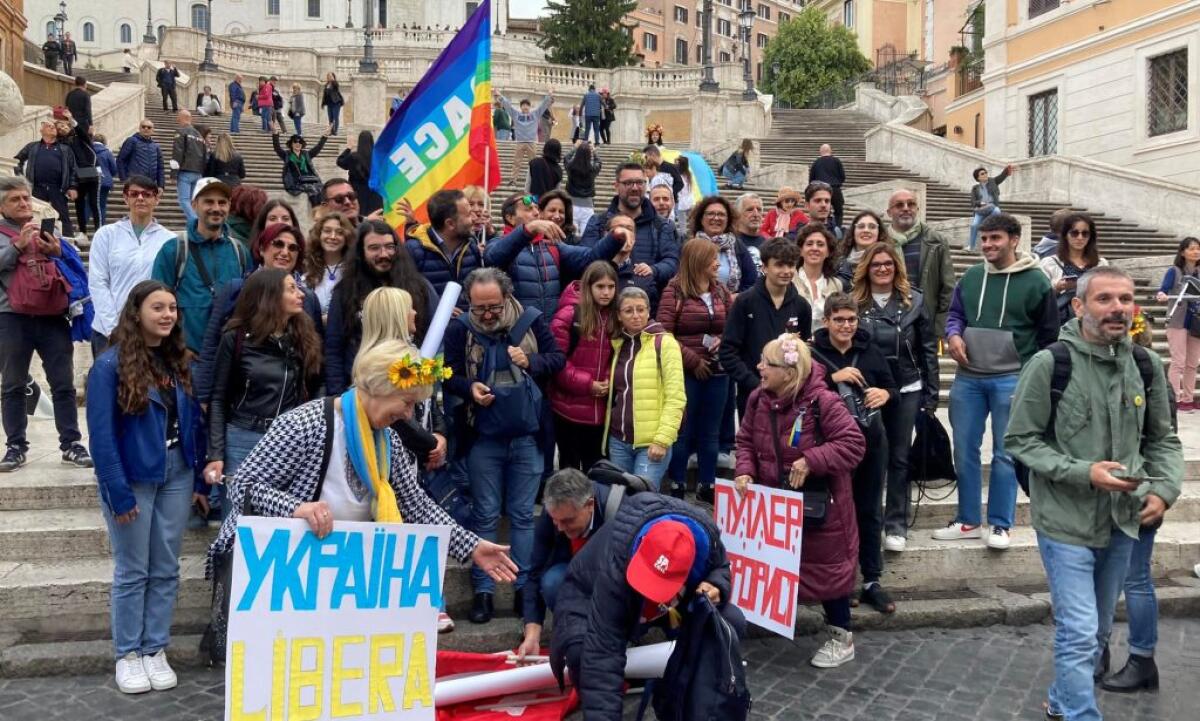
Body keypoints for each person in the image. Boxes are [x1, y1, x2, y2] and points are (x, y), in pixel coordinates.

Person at [207, 339, 519, 624]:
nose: (409, 414)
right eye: (406, 402)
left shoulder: (388, 441)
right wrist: (298, 508)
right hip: (278, 574)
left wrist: (472, 545)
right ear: (379, 388)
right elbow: (243, 485)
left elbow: (415, 505)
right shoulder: (305, 423)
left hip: (330, 573)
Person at [1006, 266, 1181, 721]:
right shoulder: (1050, 363)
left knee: (1098, 629)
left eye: (1125, 299)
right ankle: (1081, 714)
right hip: (1065, 520)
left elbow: (1163, 439)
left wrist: (1164, 489)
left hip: (1123, 520)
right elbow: (1020, 441)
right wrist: (1085, 473)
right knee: (1081, 630)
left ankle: (1063, 701)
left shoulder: (1145, 364)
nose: (1117, 308)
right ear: (1080, 306)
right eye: (1104, 299)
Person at [86, 280, 206, 693]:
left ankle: (155, 648)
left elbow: (193, 422)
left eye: (172, 307)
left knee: (166, 567)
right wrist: (116, 491)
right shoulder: (109, 366)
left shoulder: (179, 362)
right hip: (133, 476)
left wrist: (199, 475)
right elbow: (101, 438)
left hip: (176, 472)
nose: (168, 315)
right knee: (133, 569)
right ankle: (128, 653)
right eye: (158, 307)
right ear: (136, 312)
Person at [734, 333, 865, 668]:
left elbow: (853, 444)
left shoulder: (824, 402)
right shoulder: (756, 399)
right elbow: (746, 439)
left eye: (767, 363)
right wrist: (745, 470)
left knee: (828, 572)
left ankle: (842, 638)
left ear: (789, 374)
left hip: (820, 508)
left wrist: (811, 459)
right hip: (776, 505)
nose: (759, 367)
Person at [548, 492, 742, 718]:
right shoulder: (616, 566)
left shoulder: (707, 537)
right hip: (585, 596)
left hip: (663, 606)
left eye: (658, 584)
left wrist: (716, 583)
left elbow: (721, 565)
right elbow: (602, 655)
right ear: (641, 547)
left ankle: (680, 700)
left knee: (730, 620)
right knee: (582, 652)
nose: (648, 591)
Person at [443, 267, 564, 624]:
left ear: (507, 296)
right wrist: (469, 389)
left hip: (528, 436)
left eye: (493, 306)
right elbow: (447, 374)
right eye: (478, 308)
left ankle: (524, 589)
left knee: (524, 516)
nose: (487, 314)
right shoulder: (459, 328)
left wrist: (532, 362)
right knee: (485, 514)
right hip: (482, 437)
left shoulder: (531, 321)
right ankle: (483, 590)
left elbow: (557, 360)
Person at [940, 212, 1058, 549]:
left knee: (1007, 453)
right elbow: (956, 315)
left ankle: (1000, 525)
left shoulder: (1036, 281)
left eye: (996, 238)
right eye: (984, 238)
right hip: (969, 377)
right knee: (963, 449)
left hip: (1012, 377)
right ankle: (967, 520)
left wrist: (1036, 378)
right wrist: (953, 336)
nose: (988, 244)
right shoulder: (972, 276)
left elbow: (1049, 336)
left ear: (1014, 240)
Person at [204, 268, 323, 521]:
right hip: (243, 436)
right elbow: (218, 398)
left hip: (287, 440)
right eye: (291, 289)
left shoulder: (302, 336)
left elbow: (315, 387)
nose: (300, 293)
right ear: (269, 296)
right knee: (238, 520)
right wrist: (215, 454)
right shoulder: (235, 337)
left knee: (280, 519)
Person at [810, 292, 897, 614]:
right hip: (832, 447)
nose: (846, 325)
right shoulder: (813, 353)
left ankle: (872, 579)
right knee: (839, 517)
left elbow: (895, 389)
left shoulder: (871, 350)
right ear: (827, 321)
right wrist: (834, 378)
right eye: (839, 320)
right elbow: (802, 391)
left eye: (851, 320)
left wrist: (885, 393)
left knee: (870, 511)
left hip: (872, 443)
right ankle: (841, 582)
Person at [0, 176, 92, 472]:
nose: (24, 203)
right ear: (2, 206)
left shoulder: (47, 232)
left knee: (63, 384)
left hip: (52, 315)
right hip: (12, 317)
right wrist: (17, 247)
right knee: (13, 384)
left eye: (26, 197)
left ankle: (71, 444)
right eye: (16, 199)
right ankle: (15, 446)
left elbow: (75, 266)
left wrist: (58, 252)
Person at [852, 243, 939, 555]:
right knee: (869, 457)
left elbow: (928, 348)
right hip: (868, 389)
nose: (883, 269)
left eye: (888, 263)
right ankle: (868, 522)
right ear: (867, 268)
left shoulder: (914, 300)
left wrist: (931, 395)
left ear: (897, 267)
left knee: (899, 458)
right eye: (876, 264)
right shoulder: (855, 302)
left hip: (906, 387)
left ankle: (896, 524)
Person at [517, 468, 624, 659]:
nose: (560, 528)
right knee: (551, 581)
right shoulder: (555, 515)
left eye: (567, 521)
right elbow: (534, 573)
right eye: (555, 521)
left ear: (589, 504)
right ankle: (576, 633)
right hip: (575, 573)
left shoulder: (619, 511)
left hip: (616, 583)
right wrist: (532, 636)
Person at [658, 238, 732, 502]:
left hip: (718, 371)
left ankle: (707, 483)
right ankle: (677, 482)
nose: (717, 263)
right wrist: (693, 360)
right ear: (698, 261)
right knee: (683, 429)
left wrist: (723, 342)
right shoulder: (674, 291)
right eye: (713, 258)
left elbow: (731, 327)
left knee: (710, 431)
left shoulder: (720, 291)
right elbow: (664, 333)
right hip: (685, 372)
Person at [326, 220, 435, 395]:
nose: (384, 254)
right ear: (361, 253)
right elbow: (334, 348)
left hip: (408, 388)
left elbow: (432, 337)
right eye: (374, 248)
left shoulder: (419, 287)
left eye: (389, 247)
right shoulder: (345, 292)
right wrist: (337, 397)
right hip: (361, 389)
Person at [150, 178, 251, 352]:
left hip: (228, 357)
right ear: (194, 204)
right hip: (186, 357)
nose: (216, 208)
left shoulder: (240, 251)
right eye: (209, 202)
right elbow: (156, 303)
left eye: (222, 202)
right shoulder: (173, 250)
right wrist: (176, 348)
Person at [485, 193, 623, 317]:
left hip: (548, 332)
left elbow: (590, 258)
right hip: (517, 333)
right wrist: (527, 230)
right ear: (510, 218)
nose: (536, 213)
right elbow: (493, 259)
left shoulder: (552, 246)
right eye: (528, 209)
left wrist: (615, 238)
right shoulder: (498, 243)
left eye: (536, 209)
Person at [603, 287, 685, 489]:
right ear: (619, 316)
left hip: (651, 443)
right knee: (619, 500)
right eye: (629, 311)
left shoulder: (664, 343)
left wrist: (662, 440)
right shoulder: (618, 345)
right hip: (618, 440)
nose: (636, 316)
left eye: (641, 309)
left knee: (643, 501)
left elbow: (676, 397)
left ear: (649, 312)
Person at [721, 238, 811, 417]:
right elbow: (728, 352)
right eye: (779, 265)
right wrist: (756, 384)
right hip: (753, 397)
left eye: (791, 265)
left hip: (790, 397)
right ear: (764, 267)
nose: (786, 271)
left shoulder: (802, 306)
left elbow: (806, 352)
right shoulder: (744, 302)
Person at [88, 176, 175, 357]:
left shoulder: (170, 240)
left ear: (156, 199)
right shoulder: (106, 235)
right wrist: (114, 327)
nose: (140, 198)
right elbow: (98, 282)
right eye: (134, 194)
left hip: (150, 329)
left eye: (147, 194)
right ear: (126, 198)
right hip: (108, 330)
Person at [580, 162, 680, 310]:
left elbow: (672, 262)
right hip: (605, 308)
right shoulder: (599, 222)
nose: (634, 188)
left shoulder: (663, 225)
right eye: (628, 183)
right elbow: (585, 260)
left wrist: (654, 270)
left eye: (639, 182)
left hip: (647, 310)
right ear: (616, 185)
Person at [550, 261, 618, 472]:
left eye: (611, 287)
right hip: (568, 408)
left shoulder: (616, 317)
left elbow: (618, 358)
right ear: (588, 287)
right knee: (570, 471)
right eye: (600, 287)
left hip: (600, 411)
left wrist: (609, 380)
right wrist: (589, 384)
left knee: (596, 470)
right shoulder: (569, 316)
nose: (606, 293)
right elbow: (557, 362)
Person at [886, 189, 956, 337]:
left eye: (911, 204)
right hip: (887, 319)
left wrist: (940, 326)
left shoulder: (936, 240)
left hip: (925, 321)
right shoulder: (881, 241)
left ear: (917, 209)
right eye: (899, 205)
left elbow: (948, 287)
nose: (906, 208)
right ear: (889, 212)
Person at [404, 189, 482, 310]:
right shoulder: (414, 251)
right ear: (450, 224)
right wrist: (438, 309)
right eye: (468, 214)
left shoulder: (471, 247)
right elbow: (407, 297)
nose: (474, 218)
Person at [1040, 213, 1108, 327]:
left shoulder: (1101, 264)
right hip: (1062, 322)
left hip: (1094, 320)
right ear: (1065, 235)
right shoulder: (1049, 263)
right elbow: (1039, 298)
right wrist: (1057, 288)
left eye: (1085, 233)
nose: (1080, 238)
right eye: (1074, 233)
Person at [1156, 237, 1200, 412]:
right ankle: (1175, 398)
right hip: (1177, 321)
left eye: (1198, 248)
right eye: (1191, 249)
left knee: (1192, 363)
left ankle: (1188, 399)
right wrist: (1162, 295)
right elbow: (1163, 289)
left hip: (1196, 322)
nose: (1196, 252)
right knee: (1178, 362)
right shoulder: (1174, 271)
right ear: (1182, 252)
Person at [14, 119, 78, 237]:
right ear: (41, 131)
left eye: (53, 126)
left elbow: (73, 169)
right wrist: (21, 180)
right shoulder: (32, 147)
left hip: (58, 189)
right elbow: (17, 161)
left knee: (63, 216)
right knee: (35, 215)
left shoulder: (65, 149)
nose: (52, 127)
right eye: (48, 126)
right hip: (36, 188)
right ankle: (34, 239)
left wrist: (73, 187)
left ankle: (69, 242)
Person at [687, 195, 756, 297]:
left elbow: (752, 282)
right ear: (701, 219)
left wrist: (737, 297)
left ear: (728, 220)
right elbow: (681, 280)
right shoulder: (690, 246)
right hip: (695, 308)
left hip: (731, 308)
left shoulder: (737, 245)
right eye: (710, 214)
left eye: (721, 214)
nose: (716, 218)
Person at [494, 89, 554, 185]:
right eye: (523, 105)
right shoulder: (516, 114)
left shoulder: (535, 114)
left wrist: (549, 94)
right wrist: (499, 95)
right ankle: (513, 179)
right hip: (520, 142)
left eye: (527, 105)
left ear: (529, 107)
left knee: (533, 163)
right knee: (517, 162)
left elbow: (543, 105)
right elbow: (507, 105)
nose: (525, 107)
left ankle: (535, 179)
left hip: (532, 142)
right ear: (521, 107)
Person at [304, 211, 354, 319]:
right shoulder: (306, 270)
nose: (333, 236)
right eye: (327, 231)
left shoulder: (354, 270)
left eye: (340, 232)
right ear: (319, 235)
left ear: (347, 238)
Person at [57, 119, 101, 236]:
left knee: (93, 203)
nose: (62, 129)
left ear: (69, 126)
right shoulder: (61, 144)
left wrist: (72, 120)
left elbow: (82, 132)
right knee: (79, 205)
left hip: (90, 173)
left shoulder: (80, 137)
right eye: (59, 129)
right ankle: (83, 232)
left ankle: (99, 230)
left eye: (63, 126)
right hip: (76, 177)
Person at [794, 223, 843, 327]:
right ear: (801, 251)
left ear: (828, 252)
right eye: (809, 244)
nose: (815, 248)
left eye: (820, 244)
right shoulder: (789, 280)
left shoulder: (836, 284)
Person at [271, 122, 330, 208]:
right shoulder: (287, 155)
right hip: (295, 182)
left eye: (300, 142)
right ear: (291, 144)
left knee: (321, 188)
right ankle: (317, 210)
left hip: (309, 179)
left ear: (302, 144)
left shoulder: (306, 154)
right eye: (295, 142)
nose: (298, 144)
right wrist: (275, 134)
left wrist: (325, 136)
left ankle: (323, 208)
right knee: (312, 189)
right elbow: (277, 148)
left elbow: (318, 148)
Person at [172, 111, 207, 225]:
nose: (177, 119)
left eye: (178, 117)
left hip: (185, 171)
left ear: (183, 118)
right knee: (193, 202)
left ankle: (197, 223)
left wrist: (173, 173)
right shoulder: (199, 135)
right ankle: (197, 222)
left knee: (184, 200)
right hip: (198, 172)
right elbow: (204, 154)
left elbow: (177, 153)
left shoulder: (181, 132)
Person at [336, 130, 383, 216]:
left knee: (360, 220)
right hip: (374, 194)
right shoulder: (378, 157)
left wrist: (348, 148)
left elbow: (340, 162)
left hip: (357, 194)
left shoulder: (353, 157)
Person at [969, 165, 1013, 251]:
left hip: (992, 208)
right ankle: (971, 247)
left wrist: (1006, 171)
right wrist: (981, 203)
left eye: (986, 172)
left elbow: (1001, 177)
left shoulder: (992, 182)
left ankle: (994, 228)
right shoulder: (975, 188)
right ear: (978, 178)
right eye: (982, 174)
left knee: (997, 211)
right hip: (981, 210)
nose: (985, 174)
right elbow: (973, 202)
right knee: (974, 225)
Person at [837, 210, 885, 288]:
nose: (866, 230)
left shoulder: (888, 263)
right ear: (853, 231)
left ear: (879, 232)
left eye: (872, 227)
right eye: (861, 226)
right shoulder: (838, 263)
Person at [117, 119, 165, 191]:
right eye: (143, 127)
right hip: (134, 183)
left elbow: (160, 167)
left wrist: (161, 186)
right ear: (139, 128)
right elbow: (120, 160)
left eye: (149, 127)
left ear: (152, 130)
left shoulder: (155, 146)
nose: (146, 129)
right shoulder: (131, 141)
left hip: (150, 184)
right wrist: (124, 179)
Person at [809, 145, 846, 228]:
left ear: (820, 152)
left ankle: (826, 227)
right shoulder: (836, 161)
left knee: (823, 211)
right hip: (835, 189)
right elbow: (843, 176)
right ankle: (838, 229)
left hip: (821, 190)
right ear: (830, 151)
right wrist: (838, 183)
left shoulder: (816, 162)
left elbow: (811, 179)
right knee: (838, 212)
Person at [732, 193, 766, 270]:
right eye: (750, 210)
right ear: (737, 214)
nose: (756, 214)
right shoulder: (729, 242)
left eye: (759, 209)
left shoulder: (768, 244)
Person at [92, 132, 119, 226]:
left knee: (87, 204)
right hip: (105, 181)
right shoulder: (107, 152)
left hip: (89, 180)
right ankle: (100, 226)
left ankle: (83, 227)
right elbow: (114, 168)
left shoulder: (88, 150)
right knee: (102, 205)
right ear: (104, 141)